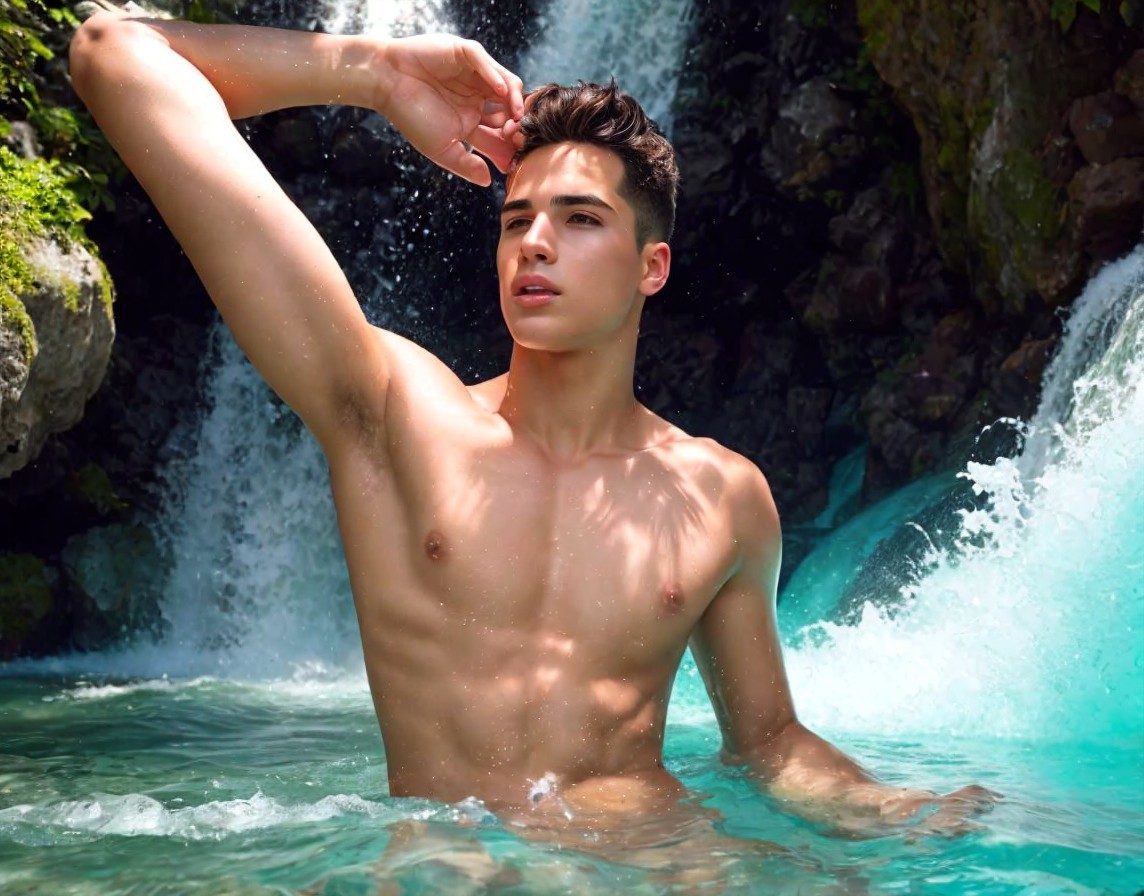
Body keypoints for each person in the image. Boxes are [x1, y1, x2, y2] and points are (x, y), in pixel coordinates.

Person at [69, 9, 993, 839]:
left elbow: (770, 747)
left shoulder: (722, 495)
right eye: (517, 221)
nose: (536, 243)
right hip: (452, 866)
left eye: (581, 219)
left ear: (652, 266)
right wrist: (377, 74)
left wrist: (898, 810)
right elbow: (116, 52)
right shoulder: (397, 415)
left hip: (661, 864)